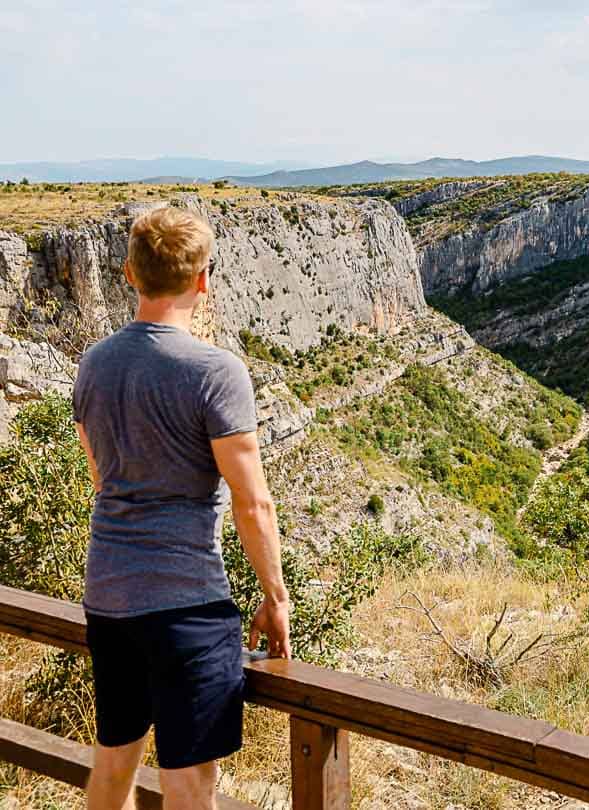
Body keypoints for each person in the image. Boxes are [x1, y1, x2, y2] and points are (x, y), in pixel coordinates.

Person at [72, 207, 291, 810]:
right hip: (186, 605)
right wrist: (274, 598)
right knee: (189, 785)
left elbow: (100, 476)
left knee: (114, 764)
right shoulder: (215, 371)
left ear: (128, 274)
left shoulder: (95, 362)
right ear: (203, 279)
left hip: (109, 595)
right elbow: (252, 502)